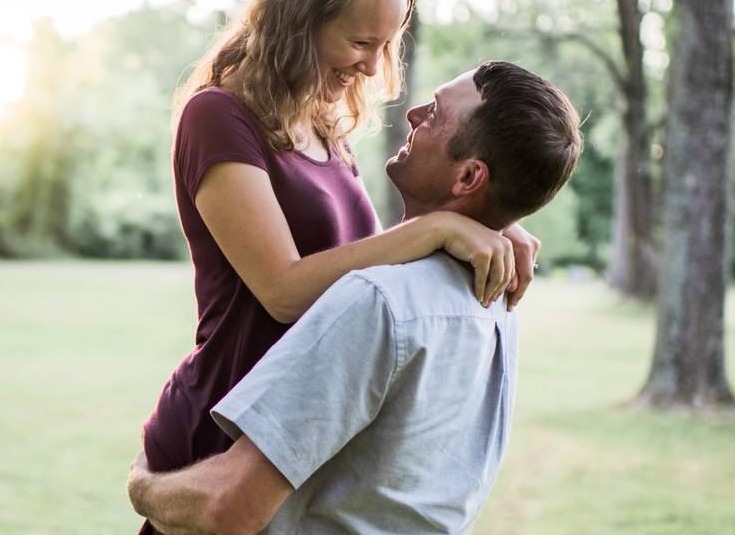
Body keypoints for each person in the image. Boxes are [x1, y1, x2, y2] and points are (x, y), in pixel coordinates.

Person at [140, 0, 540, 528]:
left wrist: (483, 218)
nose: (374, 66)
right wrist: (433, 231)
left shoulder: (327, 127)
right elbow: (283, 290)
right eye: (360, 41)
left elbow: (361, 271)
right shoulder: (218, 117)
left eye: (386, 45)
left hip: (299, 428)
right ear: (298, 18)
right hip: (226, 427)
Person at [128, 61, 584, 535]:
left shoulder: (377, 303)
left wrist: (145, 482)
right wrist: (494, 217)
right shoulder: (496, 299)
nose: (414, 113)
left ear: (469, 178)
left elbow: (230, 508)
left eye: (436, 115)